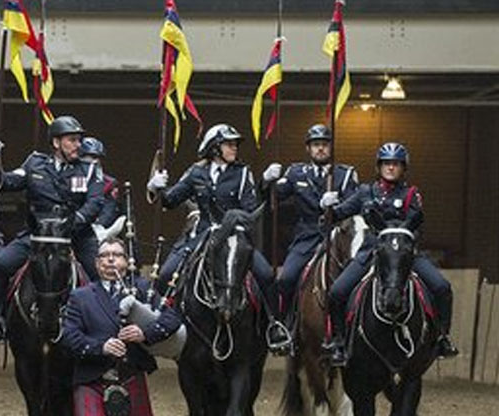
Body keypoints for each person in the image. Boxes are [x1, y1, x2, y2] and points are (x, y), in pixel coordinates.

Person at [59, 237, 182, 416]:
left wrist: (145, 332)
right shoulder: (80, 297)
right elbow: (68, 337)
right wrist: (99, 346)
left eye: (117, 255)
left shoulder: (143, 290)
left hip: (130, 379)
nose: (111, 260)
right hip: (92, 380)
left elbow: (173, 316)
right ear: (96, 263)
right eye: (104, 256)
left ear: (127, 262)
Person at [147, 123, 290, 351]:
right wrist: (156, 188)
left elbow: (250, 209)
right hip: (202, 235)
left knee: (265, 275)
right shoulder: (196, 173)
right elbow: (171, 201)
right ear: (215, 148)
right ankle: (162, 324)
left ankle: (275, 325)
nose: (234, 148)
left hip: (234, 237)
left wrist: (235, 219)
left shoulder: (242, 173)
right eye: (229, 144)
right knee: (165, 274)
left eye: (235, 144)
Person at [320, 142, 458, 367]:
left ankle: (442, 338)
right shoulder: (365, 192)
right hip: (372, 252)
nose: (391, 168)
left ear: (403, 168)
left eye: (395, 164)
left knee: (442, 287)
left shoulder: (412, 194)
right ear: (379, 167)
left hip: (404, 255)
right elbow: (337, 215)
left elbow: (416, 223)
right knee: (337, 292)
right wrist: (328, 207)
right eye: (386, 163)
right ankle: (339, 342)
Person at [0, 115, 106, 340]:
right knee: (1, 266)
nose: (78, 145)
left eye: (79, 140)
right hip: (38, 233)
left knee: (101, 274)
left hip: (75, 233)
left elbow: (94, 203)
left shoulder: (89, 169)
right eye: (72, 140)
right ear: (56, 143)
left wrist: (71, 223)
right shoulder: (34, 163)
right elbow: (7, 182)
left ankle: (103, 330)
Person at [264, 124, 360, 334]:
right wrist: (268, 182)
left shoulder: (345, 174)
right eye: (316, 145)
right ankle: (284, 325)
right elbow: (275, 199)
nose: (320, 149)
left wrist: (337, 206)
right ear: (308, 149)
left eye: (324, 145)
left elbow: (355, 205)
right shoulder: (296, 173)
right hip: (306, 238)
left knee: (355, 280)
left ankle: (354, 325)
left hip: (336, 237)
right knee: (287, 279)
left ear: (331, 148)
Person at [79, 136, 122, 228]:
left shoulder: (109, 183)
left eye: (97, 158)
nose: (95, 161)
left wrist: (97, 227)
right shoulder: (67, 177)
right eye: (90, 157)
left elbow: (109, 211)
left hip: (96, 229)